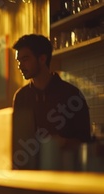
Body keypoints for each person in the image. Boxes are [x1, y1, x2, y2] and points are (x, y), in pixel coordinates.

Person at [11, 34, 91, 169]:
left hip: (64, 174)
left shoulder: (71, 95)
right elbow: (16, 140)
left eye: (25, 59)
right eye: (18, 61)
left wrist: (63, 142)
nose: (20, 66)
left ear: (42, 59)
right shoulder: (21, 96)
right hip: (28, 175)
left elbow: (86, 142)